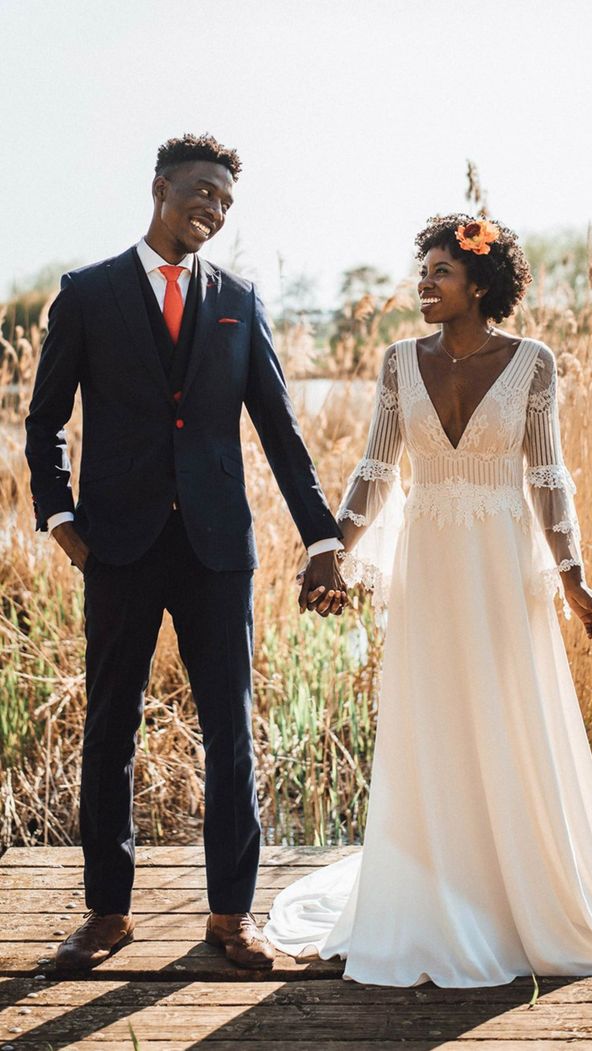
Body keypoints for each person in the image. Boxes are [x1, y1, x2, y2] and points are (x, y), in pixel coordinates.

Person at [264, 214, 592, 987]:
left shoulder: (534, 363)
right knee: (430, 717)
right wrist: (334, 551)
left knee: (508, 712)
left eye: (439, 272)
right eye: (422, 270)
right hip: (427, 563)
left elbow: (548, 476)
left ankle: (516, 894)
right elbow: (374, 469)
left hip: (500, 566)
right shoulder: (398, 362)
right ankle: (428, 896)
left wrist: (572, 577)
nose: (423, 283)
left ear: (481, 285)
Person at [25, 133, 348, 972]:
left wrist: (321, 538)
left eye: (226, 203)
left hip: (217, 551)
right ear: (161, 187)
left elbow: (279, 430)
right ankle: (106, 913)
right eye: (203, 193)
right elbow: (44, 419)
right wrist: (59, 518)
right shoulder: (87, 293)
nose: (214, 210)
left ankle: (230, 916)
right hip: (119, 547)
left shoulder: (240, 298)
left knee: (231, 730)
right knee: (111, 726)